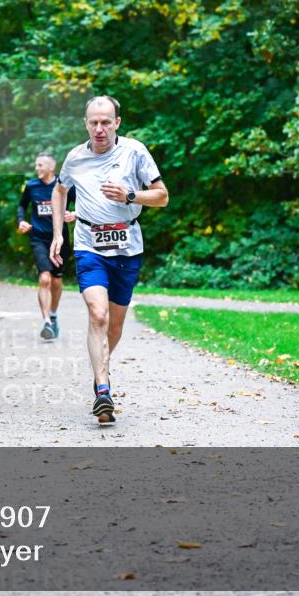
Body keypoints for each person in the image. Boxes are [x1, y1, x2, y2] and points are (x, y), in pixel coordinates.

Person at [49, 96, 169, 424]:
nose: (99, 128)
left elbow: (162, 196)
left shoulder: (135, 151)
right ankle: (103, 390)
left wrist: (130, 195)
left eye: (106, 122)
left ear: (117, 122)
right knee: (97, 314)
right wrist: (58, 233)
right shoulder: (75, 157)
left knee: (114, 325)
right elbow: (59, 191)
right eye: (93, 122)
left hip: (128, 245)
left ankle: (99, 369)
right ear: (86, 123)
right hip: (89, 243)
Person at [17, 152, 76, 340]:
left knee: (56, 280)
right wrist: (21, 221)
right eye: (36, 165)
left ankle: (53, 314)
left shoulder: (64, 185)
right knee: (44, 279)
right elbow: (21, 206)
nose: (37, 169)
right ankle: (46, 323)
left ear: (51, 167)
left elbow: (81, 202)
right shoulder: (31, 186)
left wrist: (74, 214)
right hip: (39, 239)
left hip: (60, 240)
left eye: (40, 165)